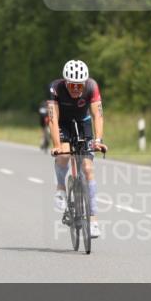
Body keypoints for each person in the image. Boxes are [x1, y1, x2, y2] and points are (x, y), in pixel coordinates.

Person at [47, 59, 108, 237]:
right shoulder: (55, 88)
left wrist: (98, 140)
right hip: (63, 123)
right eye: (72, 85)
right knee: (64, 156)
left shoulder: (92, 86)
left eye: (79, 86)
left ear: (84, 83)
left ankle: (93, 219)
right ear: (66, 82)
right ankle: (60, 188)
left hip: (84, 122)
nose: (75, 89)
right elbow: (53, 118)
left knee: (88, 169)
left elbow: (98, 115)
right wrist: (57, 146)